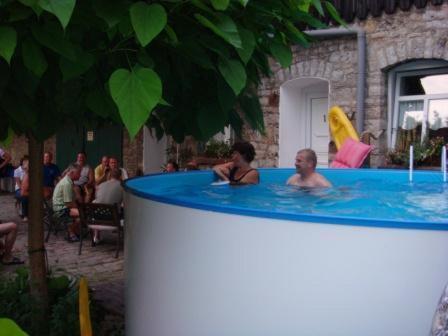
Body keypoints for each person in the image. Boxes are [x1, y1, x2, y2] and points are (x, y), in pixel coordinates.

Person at [92, 168, 124, 244]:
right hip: (112, 217)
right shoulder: (122, 187)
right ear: (120, 176)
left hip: (97, 216)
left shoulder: (101, 185)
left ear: (109, 175)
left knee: (97, 205)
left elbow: (97, 199)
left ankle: (96, 236)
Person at [53, 163, 81, 242]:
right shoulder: (67, 183)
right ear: (72, 173)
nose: (80, 175)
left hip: (62, 207)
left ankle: (73, 231)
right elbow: (69, 204)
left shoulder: (68, 180)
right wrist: (79, 208)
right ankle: (71, 232)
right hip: (60, 210)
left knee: (81, 212)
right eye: (78, 173)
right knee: (83, 214)